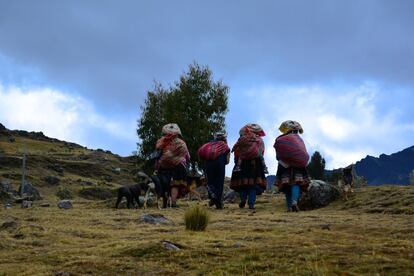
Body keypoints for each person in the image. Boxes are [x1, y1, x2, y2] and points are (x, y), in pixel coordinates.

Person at [274, 120, 310, 212]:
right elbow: (303, 153)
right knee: (296, 184)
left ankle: (289, 207)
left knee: (286, 186)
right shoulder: (299, 140)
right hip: (298, 167)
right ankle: (294, 202)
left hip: (284, 166)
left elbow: (278, 155)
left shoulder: (281, 139)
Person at [230, 124, 267, 210]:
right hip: (255, 164)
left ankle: (243, 200)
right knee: (252, 186)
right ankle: (251, 204)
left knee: (243, 184)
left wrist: (237, 163)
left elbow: (236, 152)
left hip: (242, 164)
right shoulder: (259, 140)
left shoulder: (242, 139)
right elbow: (261, 153)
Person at [155, 123, 190, 208]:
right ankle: (173, 203)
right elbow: (187, 156)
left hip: (163, 166)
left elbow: (157, 153)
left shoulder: (161, 141)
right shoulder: (181, 143)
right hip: (178, 167)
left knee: (165, 184)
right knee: (175, 184)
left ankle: (164, 204)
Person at [198, 132, 230, 209]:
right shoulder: (224, 145)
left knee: (210, 181)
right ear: (223, 138)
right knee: (219, 182)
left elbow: (201, 153)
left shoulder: (208, 144)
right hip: (220, 163)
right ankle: (218, 202)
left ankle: (212, 196)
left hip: (208, 163)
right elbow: (227, 161)